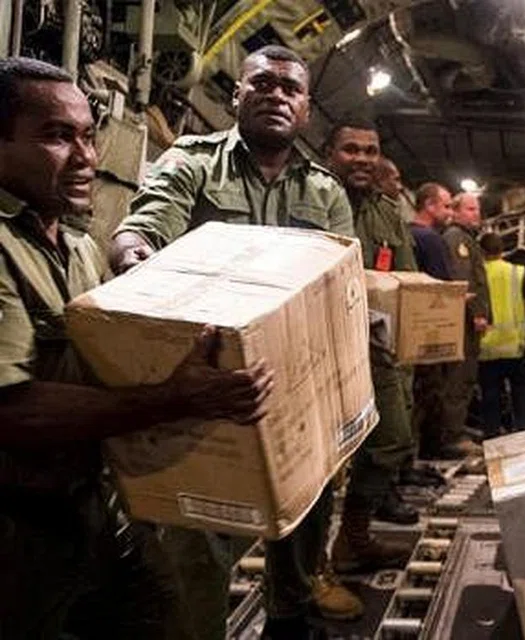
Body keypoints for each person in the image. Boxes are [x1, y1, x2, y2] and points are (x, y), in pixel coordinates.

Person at [0, 56, 273, 640]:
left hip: (88, 508)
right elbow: (12, 410)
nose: (86, 159)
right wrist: (177, 399)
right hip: (16, 533)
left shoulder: (76, 248)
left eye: (88, 137)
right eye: (55, 136)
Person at [110, 45, 353, 639]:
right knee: (201, 531)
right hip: (208, 376)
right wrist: (133, 254)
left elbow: (341, 282)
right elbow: (143, 226)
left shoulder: (325, 192)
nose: (277, 95)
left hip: (295, 376)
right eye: (262, 84)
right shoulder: (194, 162)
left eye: (290, 89)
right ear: (238, 95)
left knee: (305, 505)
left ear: (305, 109)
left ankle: (289, 613)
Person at [321, 119, 421, 580]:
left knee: (393, 436)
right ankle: (307, 572)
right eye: (351, 150)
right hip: (318, 346)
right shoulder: (312, 199)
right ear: (329, 154)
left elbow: (407, 279)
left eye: (370, 150)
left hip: (376, 347)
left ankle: (353, 538)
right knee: (318, 463)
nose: (362, 158)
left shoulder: (387, 212)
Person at [408, 183, 482, 458]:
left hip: (420, 324)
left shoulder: (419, 235)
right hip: (437, 323)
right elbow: (447, 284)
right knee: (441, 386)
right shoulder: (435, 239)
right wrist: (467, 306)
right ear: (429, 205)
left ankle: (430, 443)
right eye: (447, 205)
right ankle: (441, 440)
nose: (449, 212)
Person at [443, 192, 490, 441]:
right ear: (455, 211)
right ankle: (452, 435)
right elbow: (464, 281)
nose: (476, 214)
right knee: (458, 378)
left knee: (467, 376)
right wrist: (477, 314)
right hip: (463, 320)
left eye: (477, 209)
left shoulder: (467, 239)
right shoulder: (455, 239)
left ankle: (457, 427)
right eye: (470, 209)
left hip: (467, 320)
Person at [477, 232, 525, 435]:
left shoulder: (478, 273)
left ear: (481, 252)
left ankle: (492, 435)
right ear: (502, 250)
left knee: (490, 395)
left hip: (486, 347)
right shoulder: (516, 272)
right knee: (521, 393)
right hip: (514, 345)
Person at [376, 157, 416, 223]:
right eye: (396, 180)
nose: (400, 187)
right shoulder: (377, 210)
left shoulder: (404, 198)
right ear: (380, 182)